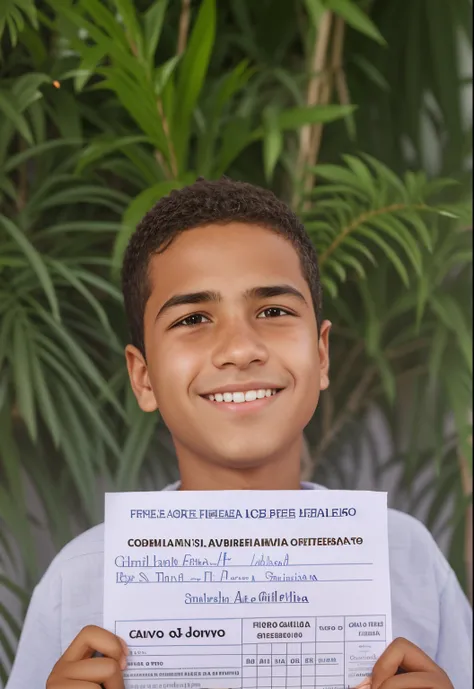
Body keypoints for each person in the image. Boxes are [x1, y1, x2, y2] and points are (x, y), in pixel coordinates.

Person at [6, 178, 471, 689]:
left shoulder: (408, 560)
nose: (239, 348)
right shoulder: (77, 583)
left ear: (320, 355)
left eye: (273, 311)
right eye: (194, 318)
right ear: (143, 377)